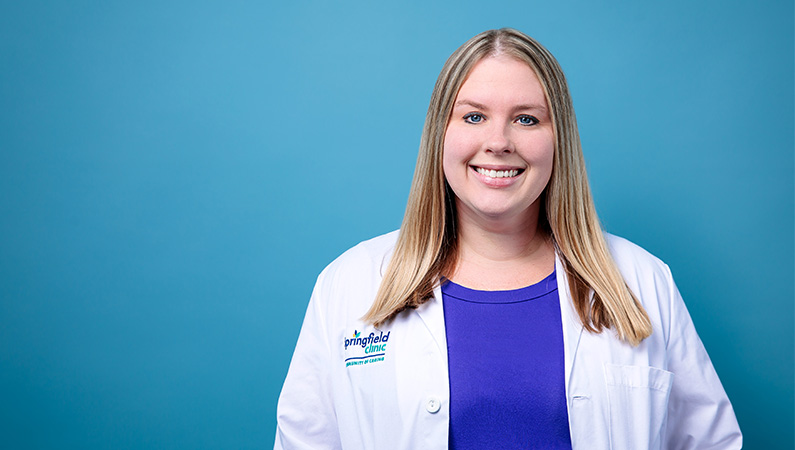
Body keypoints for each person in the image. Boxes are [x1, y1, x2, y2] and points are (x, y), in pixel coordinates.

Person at [274, 28, 742, 450]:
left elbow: (712, 443)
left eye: (526, 119)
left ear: (560, 139)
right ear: (441, 134)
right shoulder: (350, 284)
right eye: (474, 117)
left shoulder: (642, 280)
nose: (498, 141)